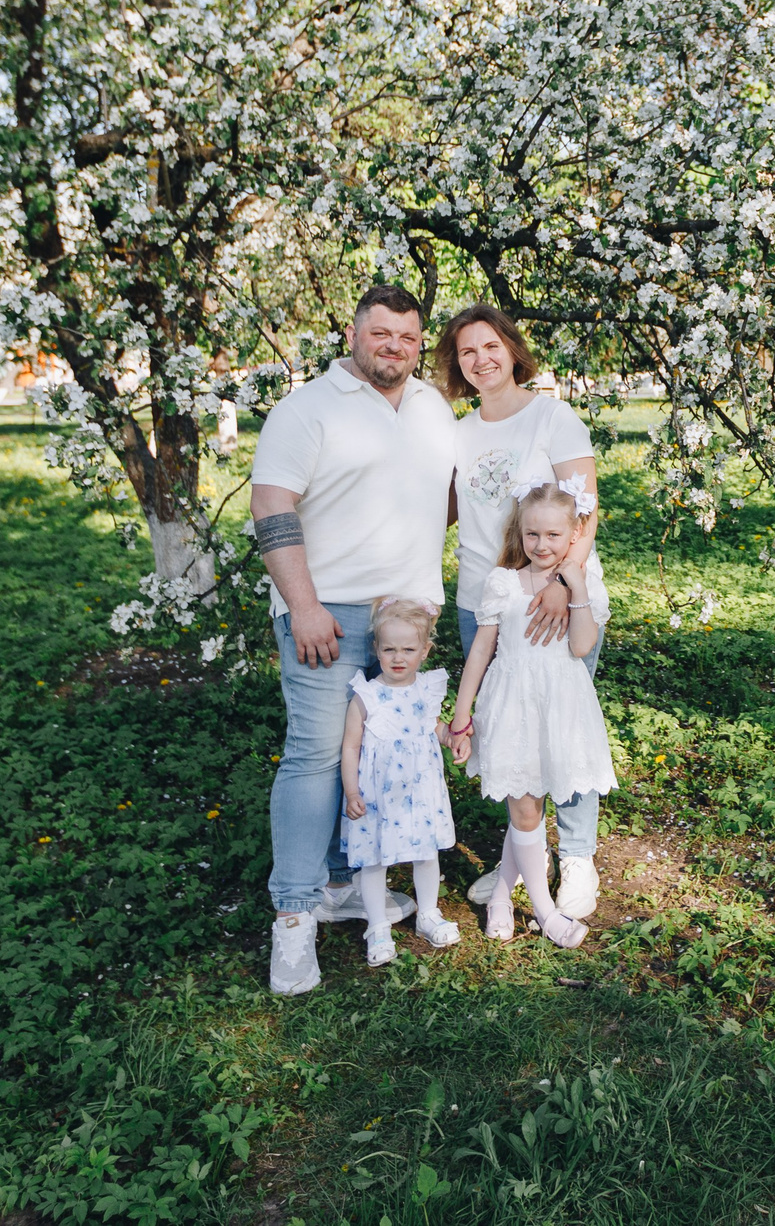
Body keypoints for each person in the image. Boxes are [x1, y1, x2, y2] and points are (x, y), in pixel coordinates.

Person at [251, 284, 461, 996]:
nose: (393, 347)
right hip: (330, 611)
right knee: (316, 753)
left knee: (377, 751)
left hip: (408, 615)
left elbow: (448, 492)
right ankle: (293, 917)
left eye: (406, 336)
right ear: (352, 332)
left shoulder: (433, 405)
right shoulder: (306, 409)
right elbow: (270, 503)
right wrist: (303, 603)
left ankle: (341, 885)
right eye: (380, 333)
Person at [435, 304, 607, 918]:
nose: (480, 359)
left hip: (559, 597)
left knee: (565, 727)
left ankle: (579, 857)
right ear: (457, 366)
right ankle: (520, 860)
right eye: (466, 352)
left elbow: (584, 512)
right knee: (511, 730)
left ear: (511, 349)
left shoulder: (552, 416)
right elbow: (444, 512)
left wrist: (565, 582)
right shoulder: (457, 433)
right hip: (487, 600)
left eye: (490, 346)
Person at [448, 479, 613, 949]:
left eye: (553, 536)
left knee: (532, 801)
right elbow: (480, 653)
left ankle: (502, 896)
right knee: (523, 805)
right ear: (520, 534)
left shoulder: (583, 585)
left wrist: (575, 584)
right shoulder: (503, 583)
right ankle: (545, 912)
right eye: (532, 535)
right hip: (512, 704)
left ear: (575, 534)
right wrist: (462, 719)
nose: (541, 546)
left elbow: (581, 646)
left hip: (560, 705)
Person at [338, 598, 461, 968]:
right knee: (374, 860)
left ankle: (428, 914)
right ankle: (377, 926)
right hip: (376, 796)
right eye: (389, 648)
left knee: (427, 853)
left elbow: (433, 727)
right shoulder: (366, 696)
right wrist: (351, 791)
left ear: (425, 651)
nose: (398, 657)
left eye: (408, 649)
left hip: (420, 792)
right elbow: (351, 746)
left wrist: (451, 736)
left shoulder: (426, 689)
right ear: (376, 649)